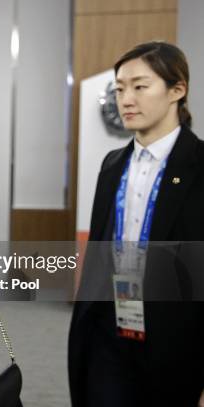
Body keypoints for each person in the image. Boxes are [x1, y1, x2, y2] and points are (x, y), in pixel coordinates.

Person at [69, 42, 204, 407]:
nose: (126, 98)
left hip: (175, 340)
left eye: (140, 86)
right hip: (108, 331)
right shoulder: (112, 165)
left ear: (178, 90)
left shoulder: (199, 166)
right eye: (120, 89)